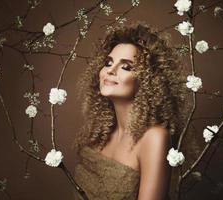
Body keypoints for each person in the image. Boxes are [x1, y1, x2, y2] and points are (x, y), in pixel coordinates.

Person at [73, 22, 186, 200]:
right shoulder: (99, 133)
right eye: (108, 63)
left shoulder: (154, 138)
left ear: (148, 80)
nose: (111, 70)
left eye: (126, 66)